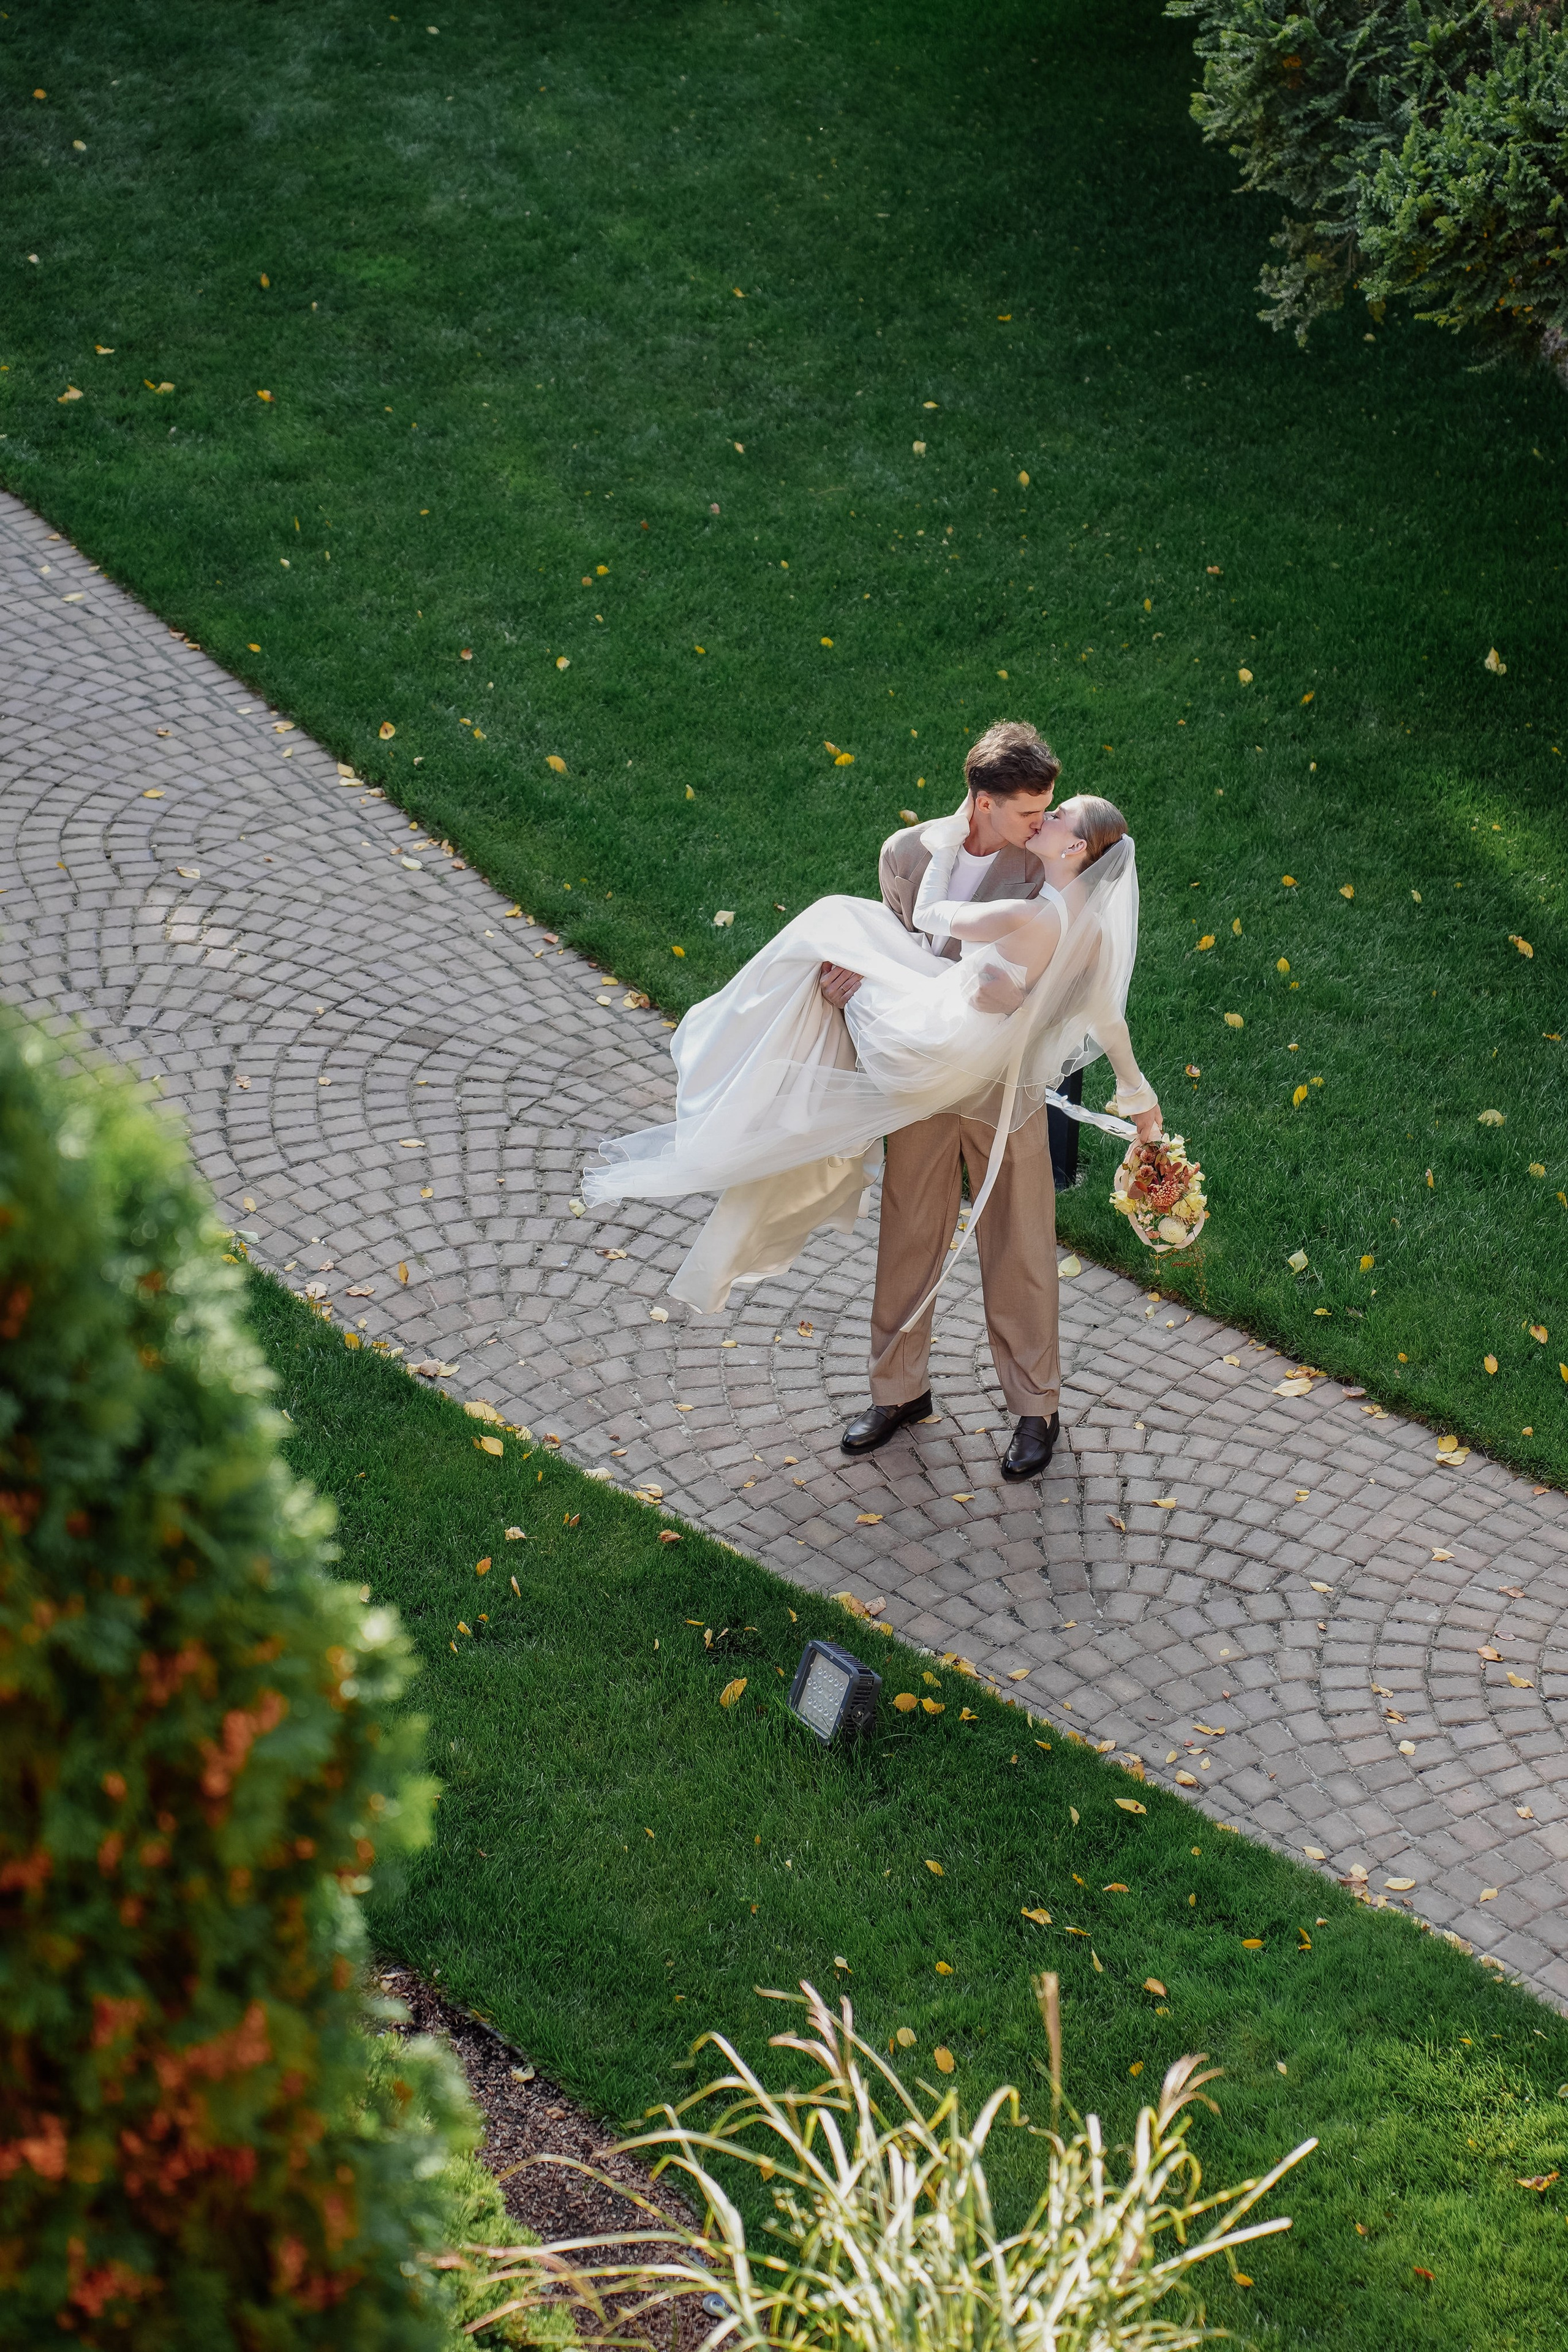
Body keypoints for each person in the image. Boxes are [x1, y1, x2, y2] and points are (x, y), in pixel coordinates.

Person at [581, 721, 1161, 1482]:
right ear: (982, 802)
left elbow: (1076, 977)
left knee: (1018, 1239)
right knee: (908, 1230)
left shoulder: (1047, 865)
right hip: (916, 1080)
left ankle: (1034, 1409)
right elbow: (883, 955)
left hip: (1001, 1083)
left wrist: (1099, 1062)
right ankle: (899, 1392)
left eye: (1045, 811)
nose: (1038, 825)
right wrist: (841, 984)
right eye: (1027, 811)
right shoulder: (907, 855)